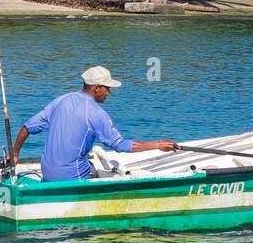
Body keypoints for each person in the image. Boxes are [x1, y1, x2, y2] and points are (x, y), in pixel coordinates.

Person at [10, 66, 179, 181]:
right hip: (71, 178)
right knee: (94, 169)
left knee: (90, 163)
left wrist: (15, 155)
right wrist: (157, 145)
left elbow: (26, 128)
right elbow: (120, 145)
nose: (109, 92)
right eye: (107, 88)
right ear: (96, 88)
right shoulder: (96, 113)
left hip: (47, 173)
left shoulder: (61, 100)